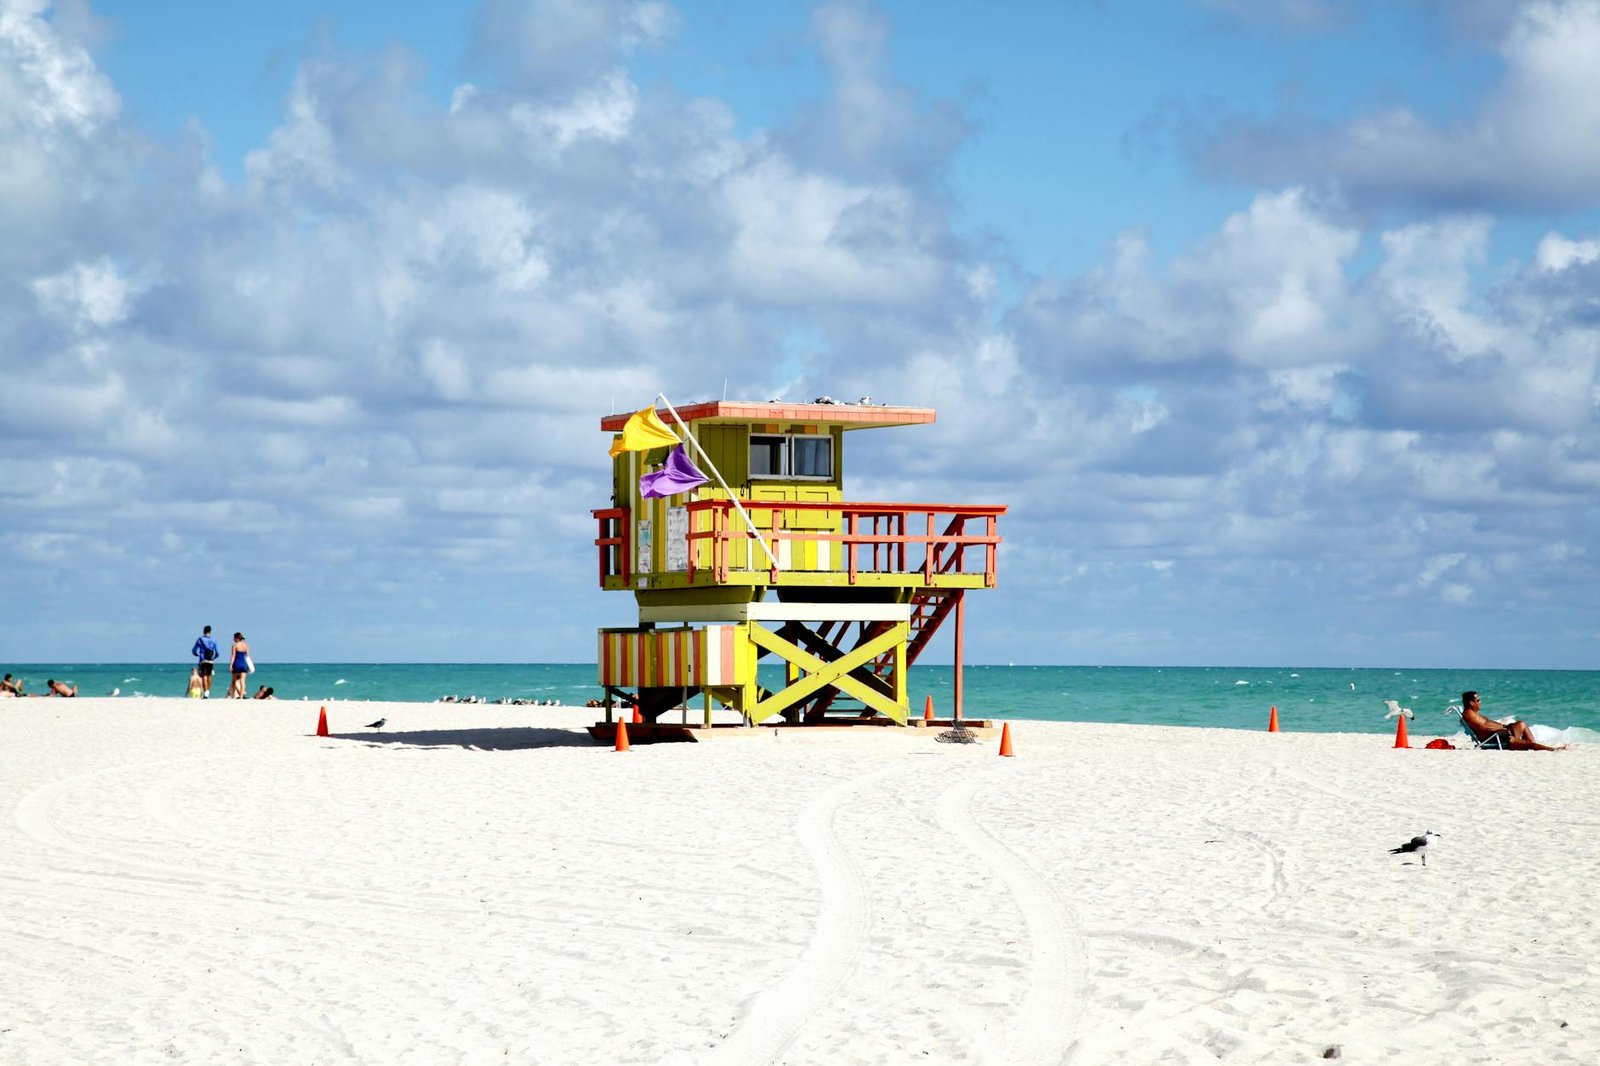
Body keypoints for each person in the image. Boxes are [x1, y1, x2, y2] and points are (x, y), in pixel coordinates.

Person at [1459, 690, 1564, 751]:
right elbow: (1483, 729)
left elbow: (1485, 725)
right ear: (1471, 703)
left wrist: (1503, 726)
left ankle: (1536, 746)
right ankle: (1552, 750)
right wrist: (1502, 729)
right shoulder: (1469, 715)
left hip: (1500, 734)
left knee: (1521, 724)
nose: (1480, 702)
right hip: (1500, 738)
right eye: (1478, 700)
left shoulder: (1472, 714)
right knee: (1529, 744)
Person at [191, 625, 220, 698]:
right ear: (210, 631)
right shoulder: (214, 640)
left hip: (203, 660)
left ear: (203, 631)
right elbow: (217, 652)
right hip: (211, 661)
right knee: (209, 676)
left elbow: (194, 650)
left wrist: (196, 654)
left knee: (204, 676)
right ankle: (208, 692)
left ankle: (205, 692)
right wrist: (214, 657)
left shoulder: (200, 639)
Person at [229, 632, 252, 698]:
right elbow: (248, 656)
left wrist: (230, 665)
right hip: (244, 664)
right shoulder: (246, 645)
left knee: (234, 681)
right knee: (243, 681)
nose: (233, 639)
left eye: (234, 638)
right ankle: (241, 696)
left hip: (237, 663)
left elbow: (233, 656)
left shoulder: (235, 645)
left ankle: (233, 696)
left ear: (237, 638)